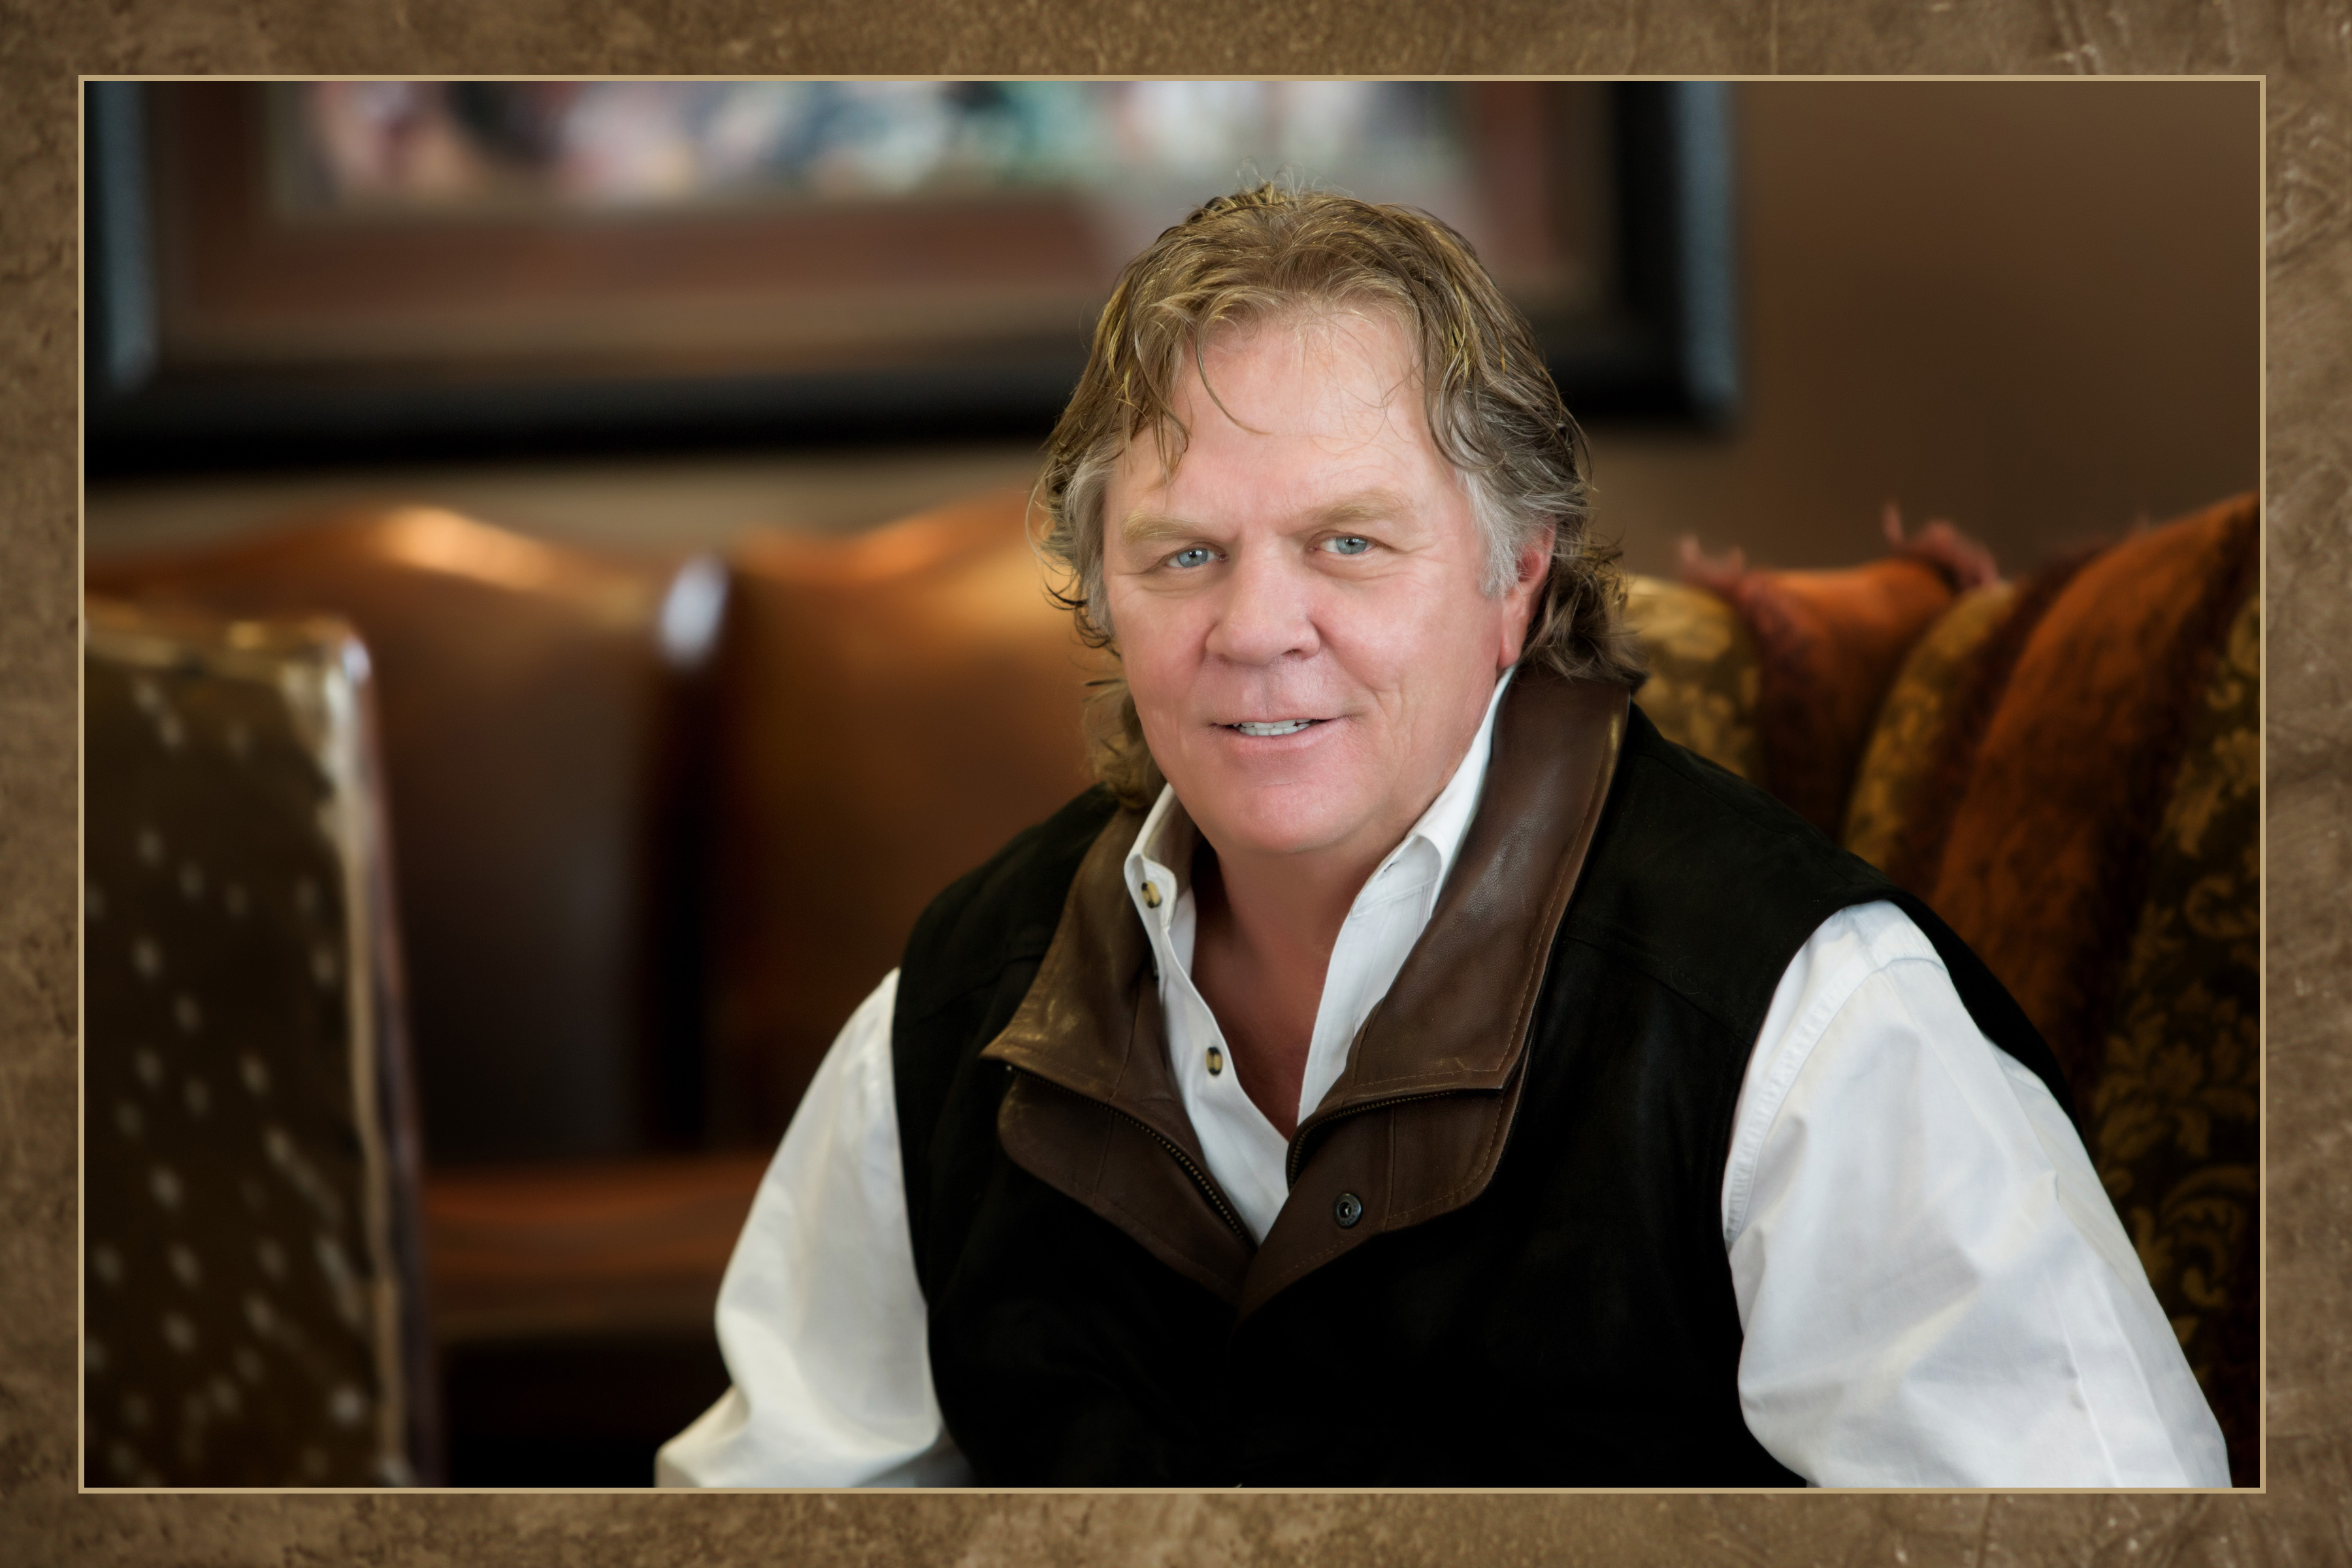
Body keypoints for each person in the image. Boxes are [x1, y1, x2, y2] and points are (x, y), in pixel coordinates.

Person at [657, 185, 2229, 1487]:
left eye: (1349, 542)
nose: (1255, 628)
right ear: (1102, 594)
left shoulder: (1811, 1023)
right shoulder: (948, 1014)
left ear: (1516, 578)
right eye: (1184, 554)